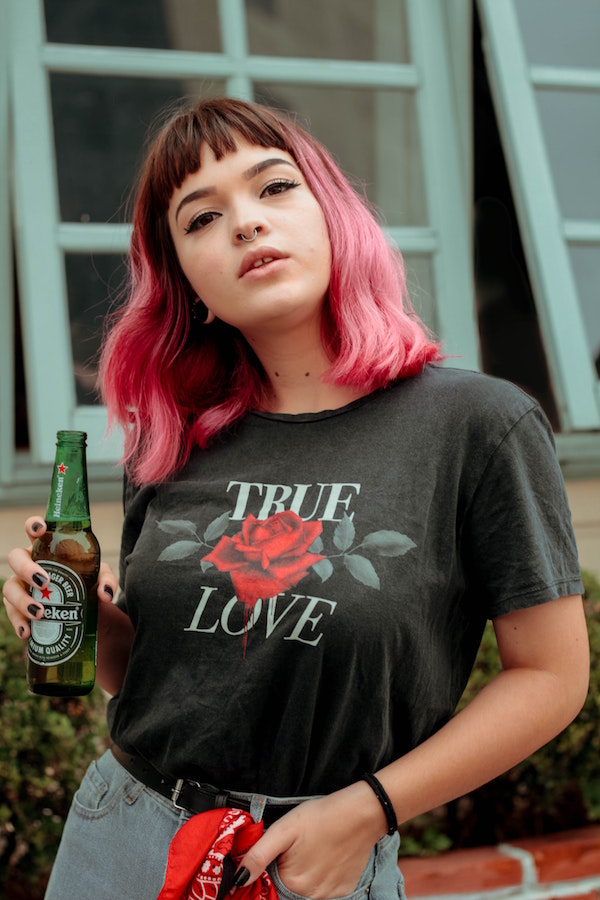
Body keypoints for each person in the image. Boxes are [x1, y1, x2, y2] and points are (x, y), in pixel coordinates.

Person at [2, 97, 589, 900]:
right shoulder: (171, 438)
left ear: (335, 217)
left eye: (273, 188)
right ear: (191, 286)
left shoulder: (477, 426)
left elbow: (552, 678)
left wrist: (367, 812)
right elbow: (143, 673)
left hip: (314, 861)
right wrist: (80, 619)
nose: (244, 223)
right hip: (120, 838)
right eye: (201, 218)